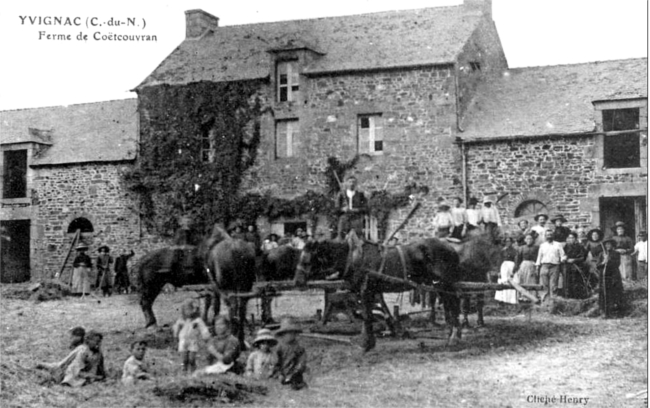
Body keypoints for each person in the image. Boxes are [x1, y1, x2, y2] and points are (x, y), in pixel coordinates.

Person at [172, 299, 211, 373]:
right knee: (184, 359)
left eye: (191, 309)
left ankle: (193, 371)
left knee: (191, 359)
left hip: (192, 341)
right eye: (187, 309)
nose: (190, 312)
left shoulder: (197, 321)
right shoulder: (181, 320)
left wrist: (206, 337)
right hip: (183, 341)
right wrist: (175, 335)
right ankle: (184, 371)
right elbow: (176, 328)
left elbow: (203, 329)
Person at [275, 317, 307, 390]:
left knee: (300, 387)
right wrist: (279, 374)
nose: (290, 335)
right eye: (287, 333)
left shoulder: (298, 347)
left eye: (292, 333)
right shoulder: (279, 347)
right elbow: (276, 362)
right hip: (283, 374)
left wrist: (298, 369)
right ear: (283, 334)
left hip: (295, 373)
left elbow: (302, 360)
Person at [535, 229, 567, 301]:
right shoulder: (542, 245)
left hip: (555, 266)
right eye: (547, 235)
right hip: (544, 266)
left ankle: (553, 302)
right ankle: (545, 302)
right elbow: (539, 256)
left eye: (551, 235)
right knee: (544, 285)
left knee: (553, 285)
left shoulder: (558, 244)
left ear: (553, 235)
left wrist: (563, 259)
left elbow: (562, 255)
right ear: (545, 236)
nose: (549, 236)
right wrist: (537, 266)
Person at [597, 237, 624, 318]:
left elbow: (617, 264)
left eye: (609, 244)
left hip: (613, 276)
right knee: (604, 292)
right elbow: (598, 266)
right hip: (604, 276)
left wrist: (609, 260)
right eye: (606, 244)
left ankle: (614, 312)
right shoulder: (601, 254)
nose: (607, 246)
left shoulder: (616, 253)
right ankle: (604, 311)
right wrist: (603, 262)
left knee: (614, 292)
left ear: (612, 245)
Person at [336, 175, 368, 240]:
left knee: (357, 237)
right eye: (350, 182)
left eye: (353, 182)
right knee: (341, 236)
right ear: (346, 183)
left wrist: (356, 210)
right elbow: (336, 208)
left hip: (356, 219)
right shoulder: (341, 194)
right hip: (344, 218)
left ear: (356, 184)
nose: (351, 184)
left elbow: (365, 208)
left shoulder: (360, 195)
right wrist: (343, 209)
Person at [564, 232, 589, 299]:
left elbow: (583, 257)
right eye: (569, 238)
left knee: (577, 283)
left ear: (575, 239)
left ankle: (578, 298)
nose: (571, 239)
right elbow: (563, 255)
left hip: (578, 267)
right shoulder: (566, 246)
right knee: (569, 282)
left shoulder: (580, 246)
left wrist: (574, 260)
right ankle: (570, 298)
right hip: (569, 267)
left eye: (572, 238)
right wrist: (566, 259)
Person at [495, 237, 518, 304]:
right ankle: (502, 300)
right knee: (503, 281)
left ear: (512, 242)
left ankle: (511, 300)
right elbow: (499, 261)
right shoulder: (502, 251)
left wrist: (513, 271)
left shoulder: (515, 251)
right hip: (504, 267)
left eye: (509, 241)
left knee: (511, 281)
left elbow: (516, 261)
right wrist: (498, 271)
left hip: (511, 266)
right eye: (507, 241)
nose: (508, 243)